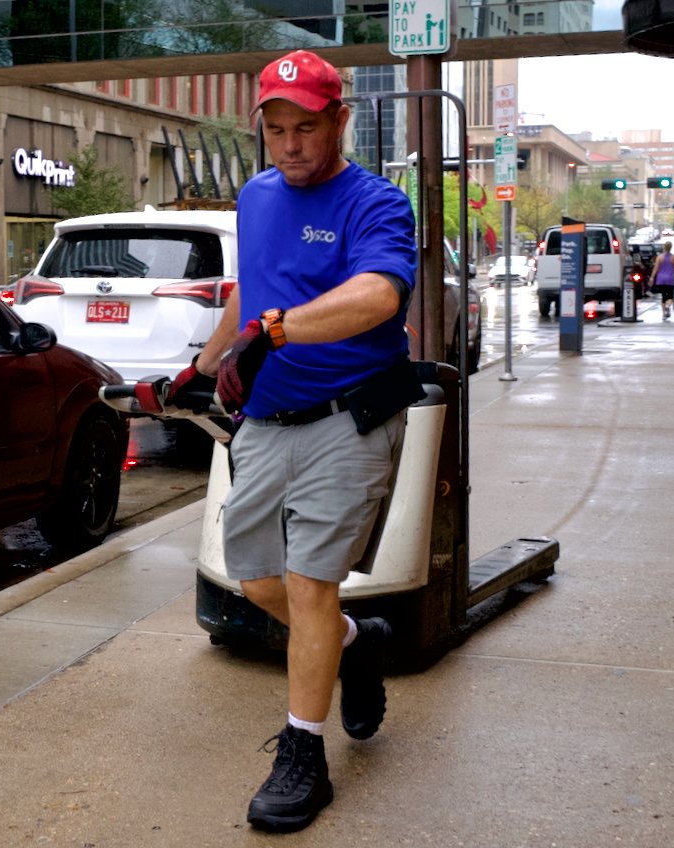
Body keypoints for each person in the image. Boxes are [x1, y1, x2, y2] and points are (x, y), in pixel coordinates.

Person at [166, 49, 417, 833]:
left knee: (310, 584)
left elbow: (377, 296)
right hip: (265, 422)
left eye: (305, 128)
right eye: (275, 130)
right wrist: (203, 366)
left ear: (339, 120)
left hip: (347, 418)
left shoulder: (377, 203)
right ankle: (355, 641)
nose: (290, 146)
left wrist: (273, 333)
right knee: (253, 577)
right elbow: (254, 290)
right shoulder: (258, 196)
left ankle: (304, 755)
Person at [649, 241, 674, 319]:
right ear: (671, 247)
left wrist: (652, 277)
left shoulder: (659, 257)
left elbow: (655, 268)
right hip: (670, 279)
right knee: (670, 297)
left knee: (663, 296)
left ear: (664, 247)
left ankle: (663, 314)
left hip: (661, 279)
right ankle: (668, 306)